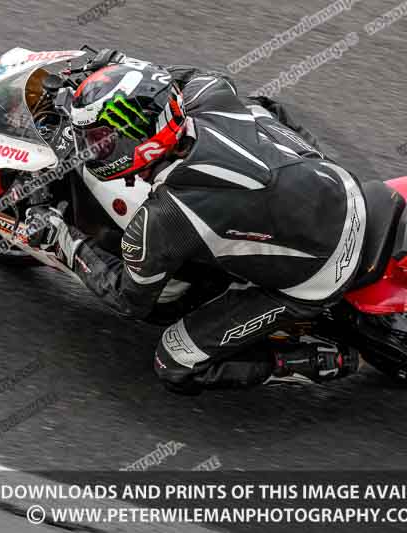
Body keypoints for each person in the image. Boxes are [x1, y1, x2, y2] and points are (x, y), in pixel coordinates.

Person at [26, 50, 366, 394]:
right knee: (261, 106)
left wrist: (61, 239)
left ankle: (311, 361)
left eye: (101, 139)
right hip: (341, 186)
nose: (92, 147)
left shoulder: (166, 217)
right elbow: (175, 78)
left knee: (174, 363)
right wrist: (118, 64)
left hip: (324, 270)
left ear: (140, 141)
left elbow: (130, 301)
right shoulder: (208, 92)